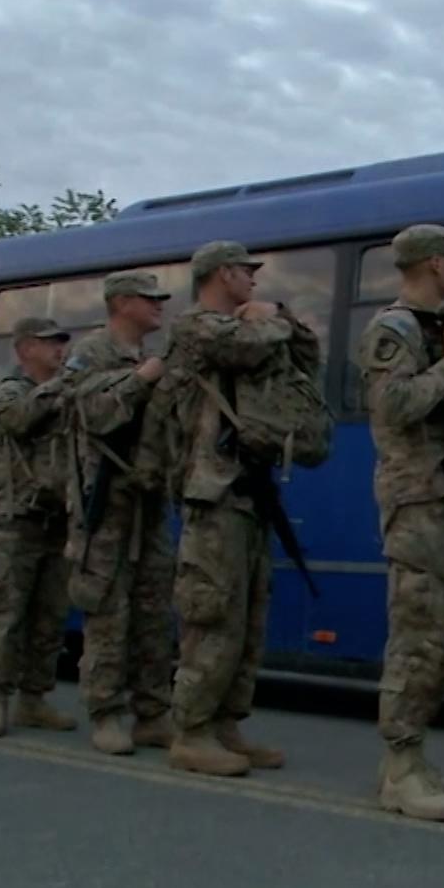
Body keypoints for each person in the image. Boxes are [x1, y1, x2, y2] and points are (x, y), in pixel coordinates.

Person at [356, 225, 444, 821]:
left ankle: (411, 760)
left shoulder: (442, 324)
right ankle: (400, 768)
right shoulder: (394, 329)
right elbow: (395, 407)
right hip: (415, 501)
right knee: (418, 636)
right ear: (435, 263)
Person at [164, 240, 308, 777]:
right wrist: (272, 319)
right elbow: (247, 347)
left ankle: (226, 724)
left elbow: (304, 348)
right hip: (213, 493)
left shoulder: (252, 321)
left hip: (248, 491)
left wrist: (280, 315)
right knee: (213, 614)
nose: (253, 281)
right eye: (246, 273)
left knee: (248, 618)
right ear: (223, 274)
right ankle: (191, 730)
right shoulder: (194, 326)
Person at [65, 270, 176, 755]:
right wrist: (141, 379)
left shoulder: (154, 354)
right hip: (106, 501)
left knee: (154, 611)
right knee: (108, 610)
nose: (159, 305)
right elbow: (91, 413)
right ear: (123, 302)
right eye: (150, 299)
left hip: (148, 500)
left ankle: (153, 712)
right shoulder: (92, 352)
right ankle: (106, 712)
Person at [0, 316, 78, 738]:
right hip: (16, 520)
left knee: (50, 615)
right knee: (5, 614)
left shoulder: (67, 394)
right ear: (25, 349)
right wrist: (61, 386)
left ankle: (34, 699)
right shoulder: (12, 390)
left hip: (57, 520)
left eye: (61, 342)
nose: (60, 349)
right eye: (50, 343)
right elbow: (19, 419)